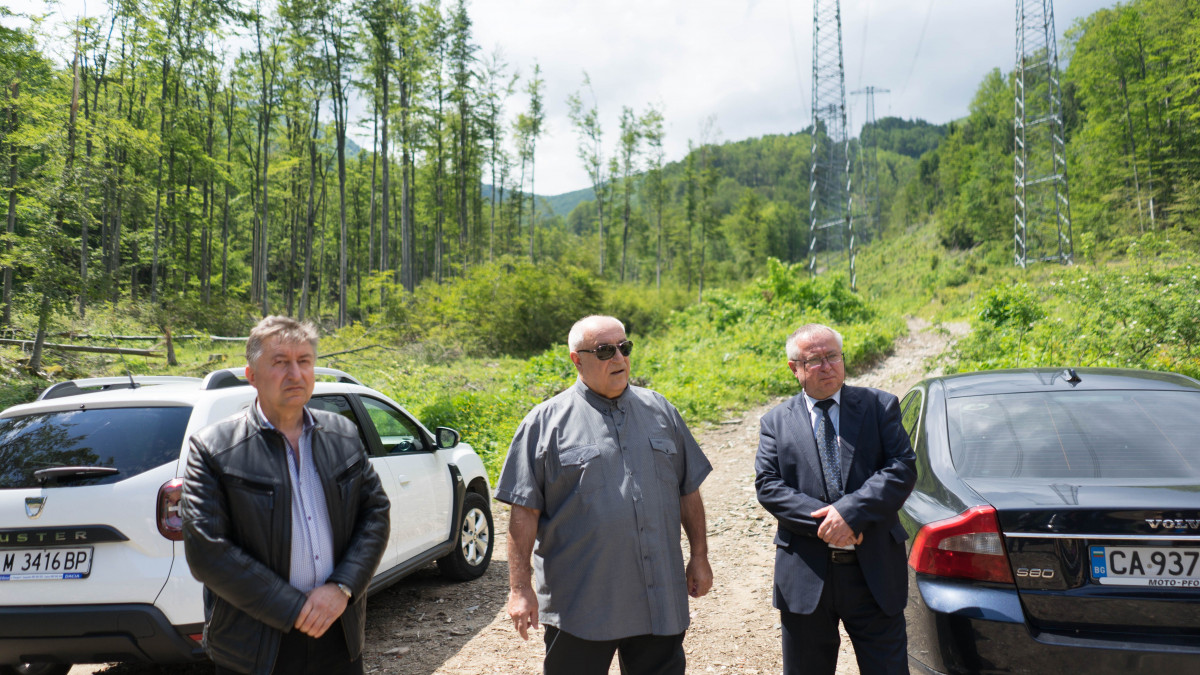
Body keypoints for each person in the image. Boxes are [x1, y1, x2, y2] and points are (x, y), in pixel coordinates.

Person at [495, 315, 713, 675]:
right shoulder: (544, 423)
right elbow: (524, 515)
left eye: (624, 348)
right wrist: (519, 589)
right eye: (605, 350)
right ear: (576, 359)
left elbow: (688, 490)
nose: (619, 359)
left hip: (658, 597)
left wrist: (700, 557)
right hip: (581, 603)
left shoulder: (661, 411)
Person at [181, 316, 390, 675]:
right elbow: (207, 551)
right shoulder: (213, 448)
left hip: (338, 633)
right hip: (255, 646)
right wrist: (294, 608)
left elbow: (375, 513)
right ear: (251, 375)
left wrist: (342, 587)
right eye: (280, 362)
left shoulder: (342, 433)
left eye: (304, 361)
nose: (296, 373)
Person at [755, 323, 917, 675]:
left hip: (873, 570)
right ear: (794, 368)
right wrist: (830, 525)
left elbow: (902, 467)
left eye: (833, 357)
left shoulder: (879, 406)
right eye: (815, 360)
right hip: (806, 572)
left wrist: (850, 514)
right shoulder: (776, 422)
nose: (827, 366)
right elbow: (768, 486)